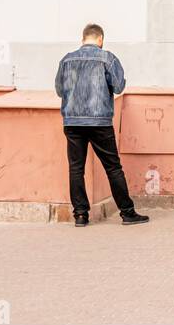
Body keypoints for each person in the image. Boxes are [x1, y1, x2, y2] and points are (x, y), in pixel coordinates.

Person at [54, 23, 149, 227]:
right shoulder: (107, 58)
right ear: (100, 39)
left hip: (73, 121)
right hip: (100, 122)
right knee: (113, 167)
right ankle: (127, 212)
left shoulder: (67, 59)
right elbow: (119, 86)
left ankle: (80, 215)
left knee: (76, 169)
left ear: (83, 39)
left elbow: (60, 90)